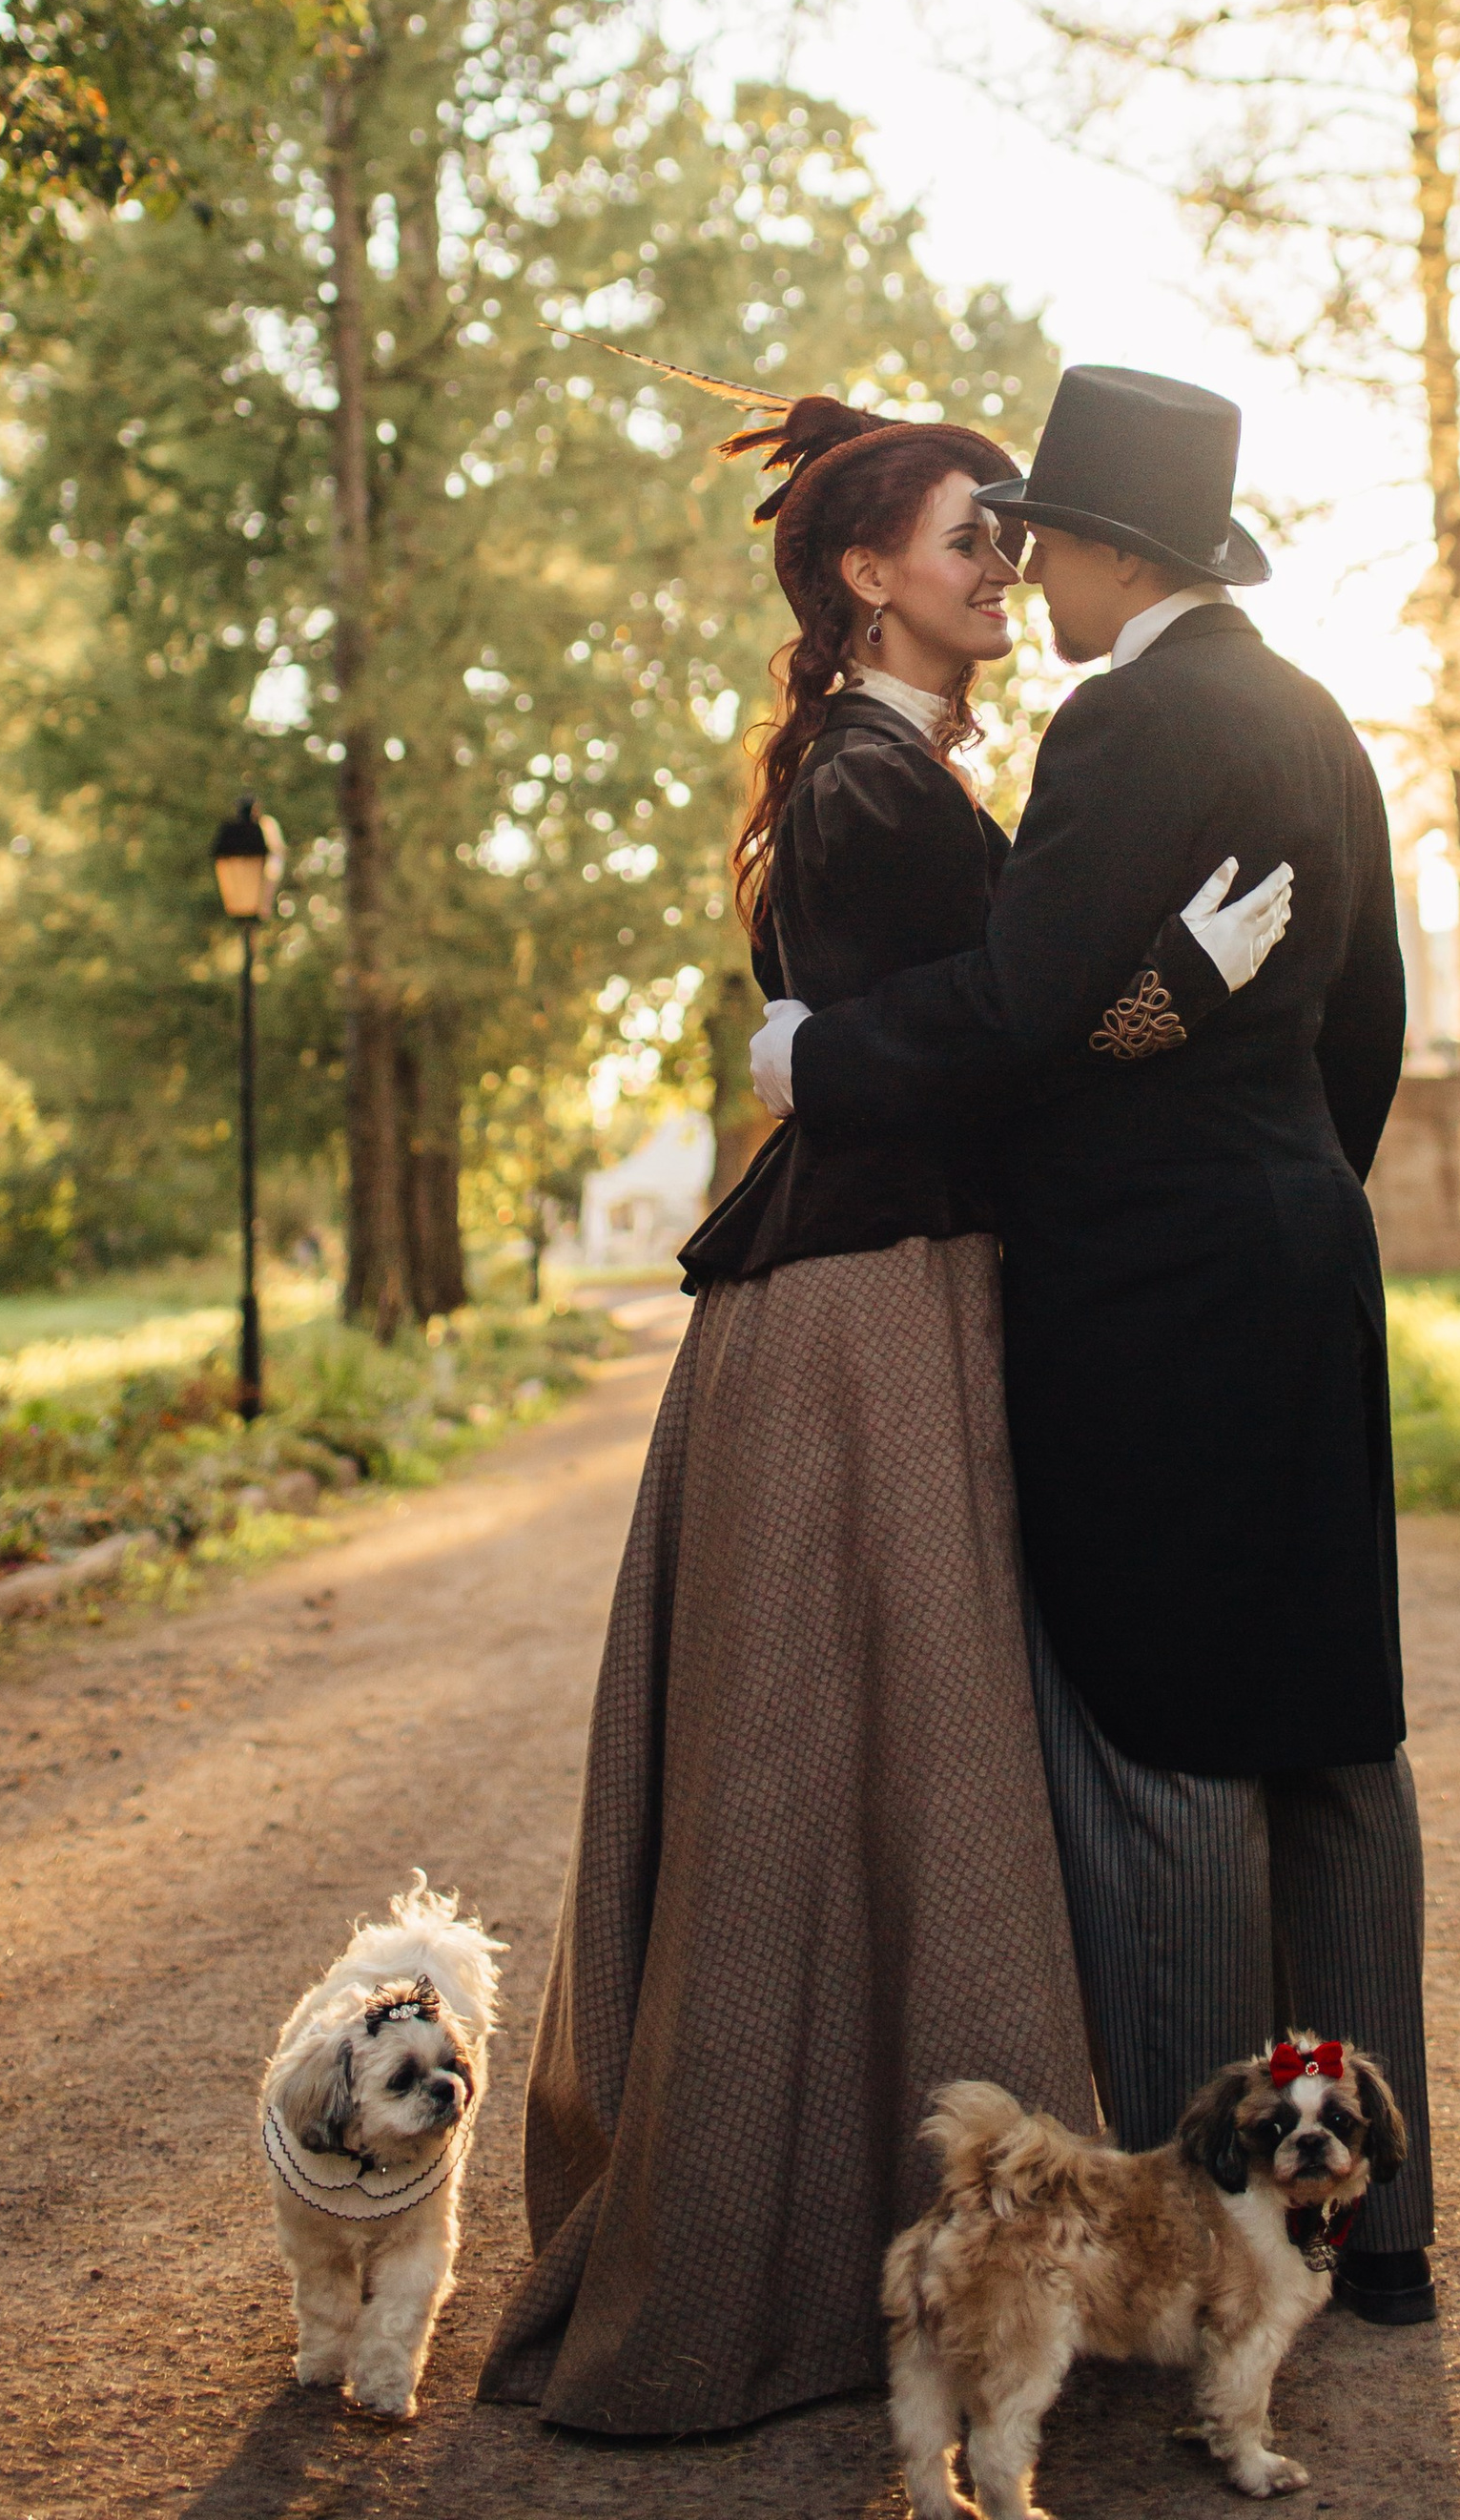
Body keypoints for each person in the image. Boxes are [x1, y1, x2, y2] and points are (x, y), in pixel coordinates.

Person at [479, 389, 1287, 2434]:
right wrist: (1156, 1006)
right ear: (863, 576)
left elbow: (957, 1036)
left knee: (888, 1773)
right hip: (854, 1317)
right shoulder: (867, 783)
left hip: (888, 1290)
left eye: (1014, 532)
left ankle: (918, 2222)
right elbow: (994, 1059)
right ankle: (821, 2240)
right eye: (967, 534)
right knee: (849, 1771)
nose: (1005, 559)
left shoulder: (890, 767)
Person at [758, 362, 1438, 2326]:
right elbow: (1365, 1025)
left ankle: (1206, 2256)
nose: (1018, 561)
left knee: (1160, 1751)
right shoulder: (1317, 718)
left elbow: (1022, 1007)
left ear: (1091, 545)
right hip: (1308, 1261)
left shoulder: (1125, 725)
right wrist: (1280, 1187)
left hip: (1146, 1304)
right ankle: (1377, 2237)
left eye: (1031, 528)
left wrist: (820, 1059)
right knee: (1333, 1747)